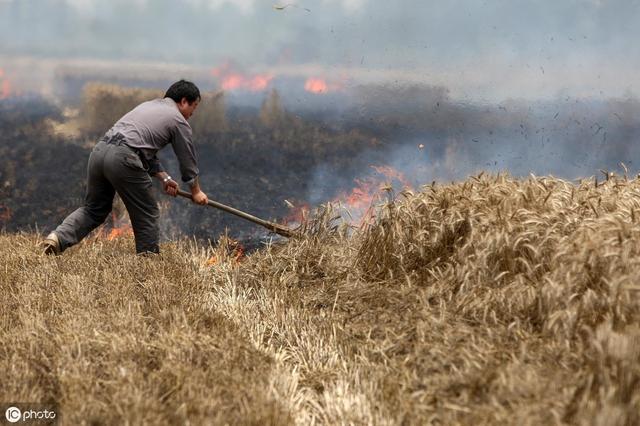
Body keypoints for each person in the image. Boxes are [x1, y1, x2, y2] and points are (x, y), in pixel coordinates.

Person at [42, 79, 208, 255]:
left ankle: (58, 237)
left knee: (94, 208)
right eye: (194, 107)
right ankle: (147, 261)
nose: (192, 114)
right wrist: (196, 191)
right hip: (124, 158)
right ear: (183, 101)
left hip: (100, 152)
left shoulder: (148, 106)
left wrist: (164, 178)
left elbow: (142, 147)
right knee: (147, 212)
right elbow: (187, 160)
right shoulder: (178, 120)